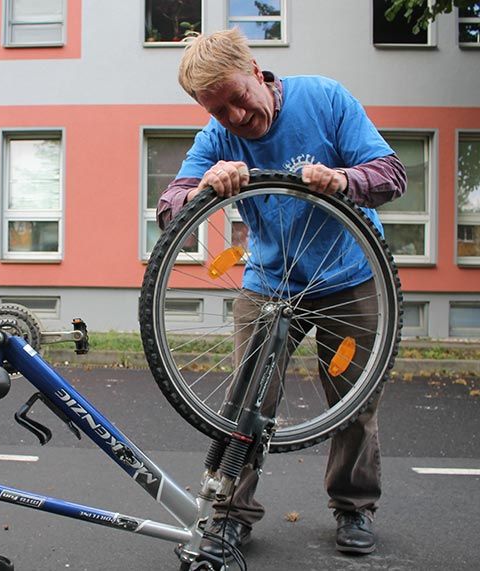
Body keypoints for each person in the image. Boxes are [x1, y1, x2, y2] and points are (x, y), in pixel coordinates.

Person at [157, 29, 407, 558]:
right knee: (245, 400)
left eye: (237, 99)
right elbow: (168, 208)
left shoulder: (325, 98)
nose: (236, 119)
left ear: (254, 67)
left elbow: (391, 175)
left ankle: (354, 507)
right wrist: (203, 188)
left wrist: (342, 180)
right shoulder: (217, 137)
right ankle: (229, 513)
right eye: (219, 111)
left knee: (354, 401)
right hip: (270, 282)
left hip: (348, 276)